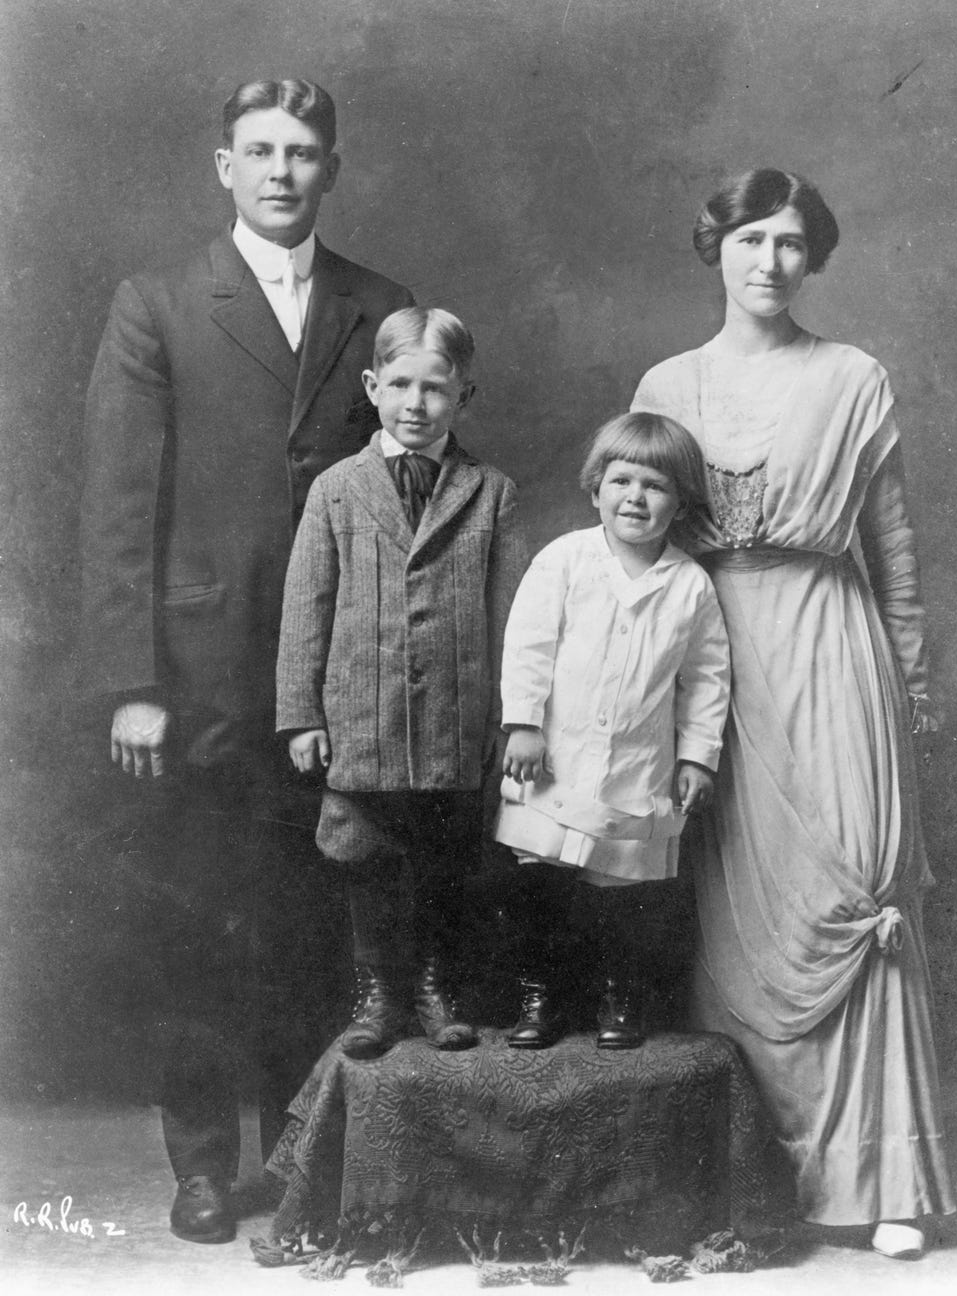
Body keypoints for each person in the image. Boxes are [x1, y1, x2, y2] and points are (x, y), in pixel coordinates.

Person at [78, 78, 413, 1243]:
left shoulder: (381, 305)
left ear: (331, 169)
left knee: (316, 919)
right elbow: (120, 510)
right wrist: (131, 682)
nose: (282, 171)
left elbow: (403, 497)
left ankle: (299, 1153)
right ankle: (205, 1167)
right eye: (260, 151)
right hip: (199, 673)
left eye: (305, 152)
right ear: (224, 166)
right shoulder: (160, 303)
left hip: (330, 672)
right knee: (200, 924)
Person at [631, 168, 955, 1257]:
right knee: (734, 908)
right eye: (748, 239)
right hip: (715, 646)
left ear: (810, 259)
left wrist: (910, 689)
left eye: (789, 243)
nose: (768, 261)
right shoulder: (667, 384)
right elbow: (641, 549)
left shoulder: (852, 377)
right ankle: (752, 1177)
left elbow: (892, 551)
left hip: (829, 645)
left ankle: (884, 1185)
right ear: (712, 248)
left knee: (849, 887)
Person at [276, 306, 526, 1061]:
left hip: (455, 715)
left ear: (465, 396)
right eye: (402, 386)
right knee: (364, 853)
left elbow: (514, 614)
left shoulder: (491, 493)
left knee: (445, 857)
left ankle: (433, 985)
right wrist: (299, 716)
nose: (417, 404)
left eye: (437, 390)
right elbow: (305, 606)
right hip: (362, 715)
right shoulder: (337, 490)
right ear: (372, 386)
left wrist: (511, 717)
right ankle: (380, 994)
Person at [494, 412, 730, 1050]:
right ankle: (540, 996)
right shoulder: (565, 561)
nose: (635, 497)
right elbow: (529, 646)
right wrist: (523, 722)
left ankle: (618, 997)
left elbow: (707, 679)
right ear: (595, 487)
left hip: (637, 768)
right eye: (621, 480)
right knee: (541, 881)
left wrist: (698, 759)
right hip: (554, 762)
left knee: (623, 897)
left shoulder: (689, 586)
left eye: (655, 486)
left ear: (679, 502)